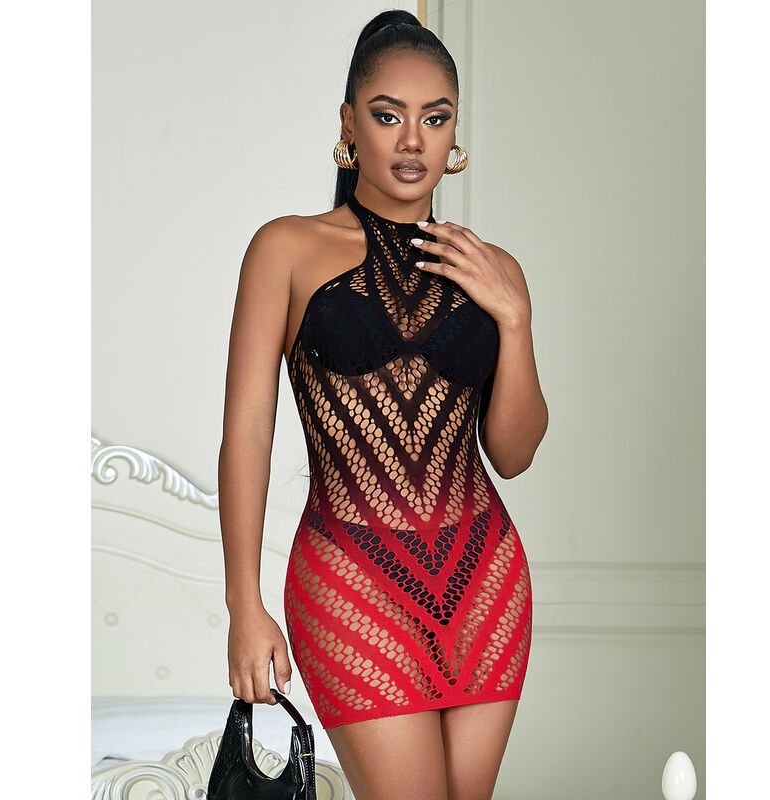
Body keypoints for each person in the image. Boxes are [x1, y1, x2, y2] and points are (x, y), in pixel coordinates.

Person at [217, 9, 548, 800]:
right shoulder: (286, 249)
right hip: (350, 580)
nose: (412, 141)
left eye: (435, 119)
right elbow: (247, 435)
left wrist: (515, 318)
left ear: (454, 134)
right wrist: (243, 605)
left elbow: (514, 453)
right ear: (348, 125)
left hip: (486, 582)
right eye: (388, 115)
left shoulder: (493, 270)